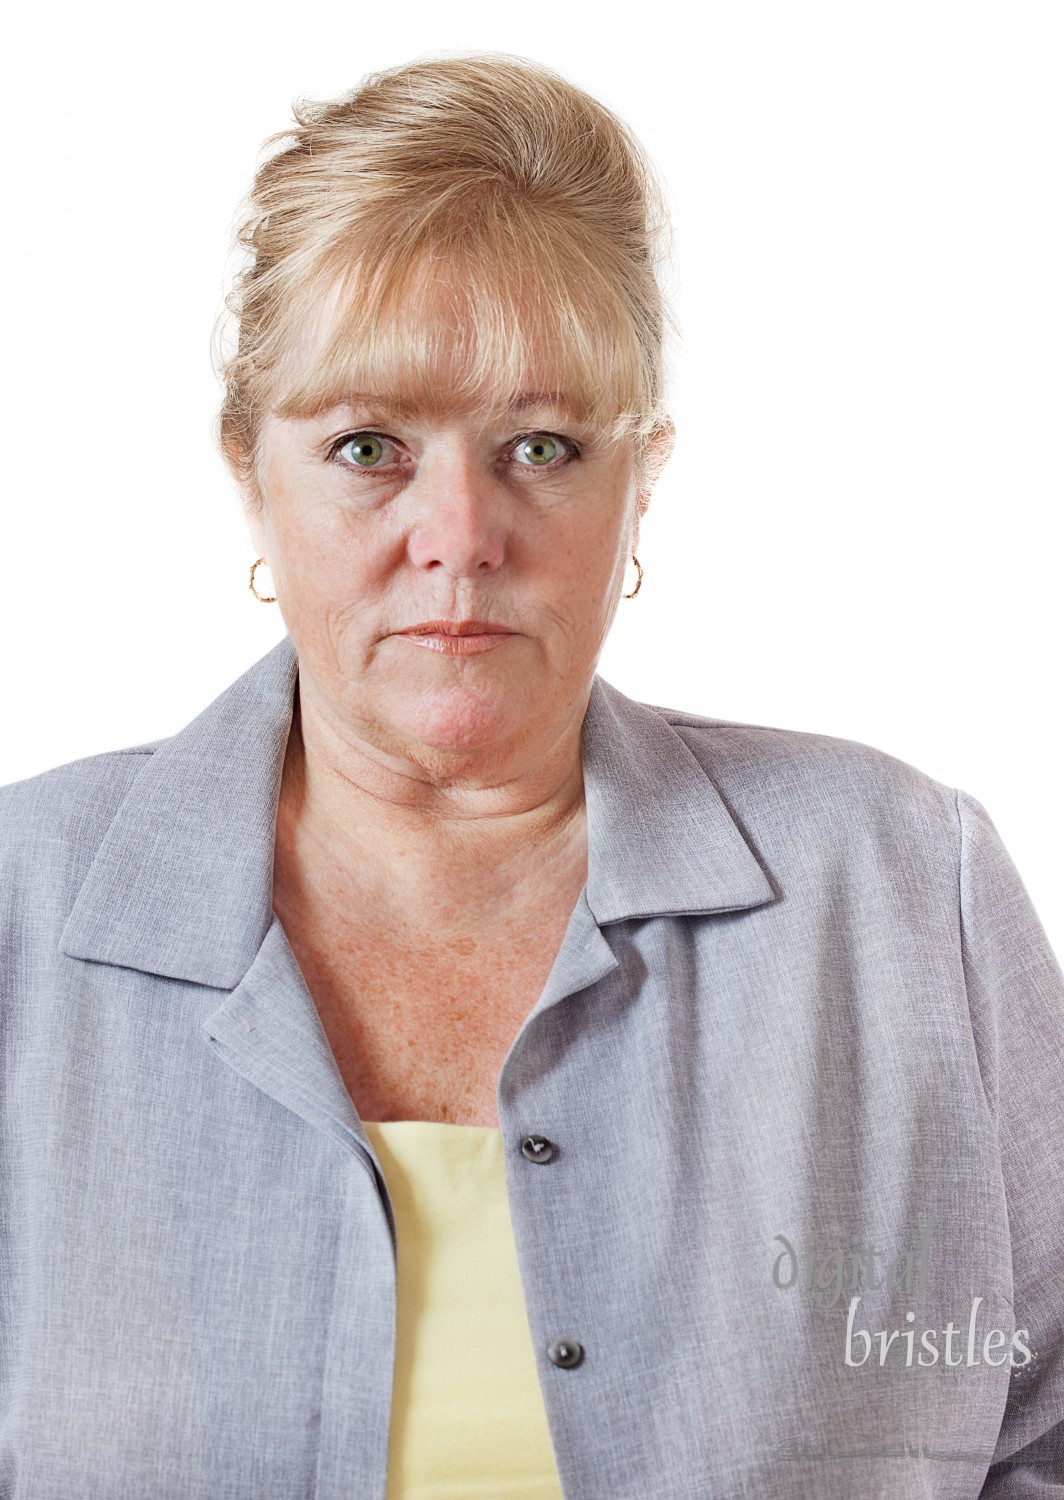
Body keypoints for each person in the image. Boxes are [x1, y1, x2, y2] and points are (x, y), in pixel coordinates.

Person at [2, 50, 1063, 1500]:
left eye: (541, 445)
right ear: (252, 471)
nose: (460, 533)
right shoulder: (21, 913)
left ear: (640, 478)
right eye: (369, 445)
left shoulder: (900, 888)